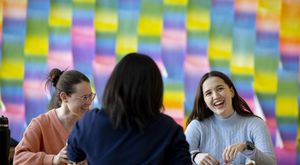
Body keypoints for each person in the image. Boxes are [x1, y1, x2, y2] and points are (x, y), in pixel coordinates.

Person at [67, 52, 192, 165]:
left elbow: (73, 154)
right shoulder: (170, 130)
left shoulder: (90, 122)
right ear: (155, 90)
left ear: (114, 84)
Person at [185, 71, 275, 165]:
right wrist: (195, 156)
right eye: (208, 93)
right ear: (204, 102)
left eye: (220, 89)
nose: (216, 96)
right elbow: (178, 159)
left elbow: (271, 163)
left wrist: (246, 147)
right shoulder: (197, 126)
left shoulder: (255, 124)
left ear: (231, 92)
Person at [14, 68, 94, 165]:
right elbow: (18, 159)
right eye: (84, 97)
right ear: (64, 97)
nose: (89, 103)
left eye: (90, 96)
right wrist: (53, 160)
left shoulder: (92, 124)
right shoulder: (40, 124)